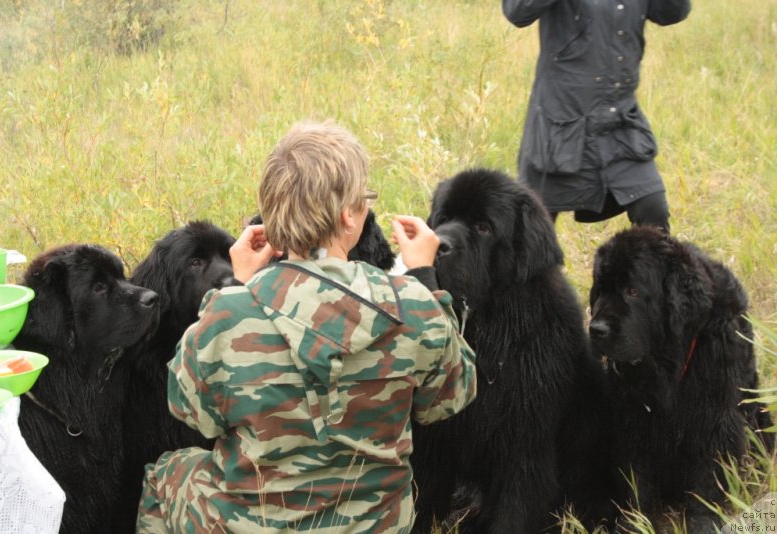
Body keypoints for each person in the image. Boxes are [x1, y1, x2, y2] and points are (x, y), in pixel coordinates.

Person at [136, 120, 477, 533]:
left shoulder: (230, 314)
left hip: (253, 524)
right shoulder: (413, 307)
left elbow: (194, 413)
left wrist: (237, 289)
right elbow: (449, 397)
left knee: (164, 474)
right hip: (373, 525)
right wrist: (424, 276)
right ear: (349, 216)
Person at [502, 0, 691, 234]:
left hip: (621, 121)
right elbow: (517, 11)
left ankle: (645, 271)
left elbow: (672, 12)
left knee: (652, 209)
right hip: (560, 125)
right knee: (533, 234)